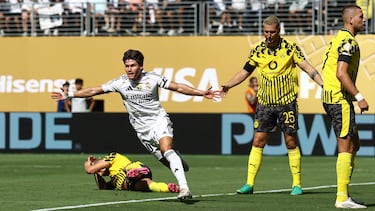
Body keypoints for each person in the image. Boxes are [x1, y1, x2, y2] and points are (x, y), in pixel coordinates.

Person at [52, 49, 218, 200]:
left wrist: (201, 92)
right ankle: (177, 160)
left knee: (166, 149)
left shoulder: (152, 78)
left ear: (141, 66)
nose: (129, 69)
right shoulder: (120, 83)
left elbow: (178, 87)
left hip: (158, 121)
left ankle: (184, 188)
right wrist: (70, 94)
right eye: (127, 66)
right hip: (141, 130)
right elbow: (94, 90)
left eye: (133, 65)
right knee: (167, 159)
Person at [218, 15, 324, 196]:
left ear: (279, 30)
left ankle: (296, 184)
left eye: (272, 32)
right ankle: (249, 184)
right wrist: (228, 84)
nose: (268, 35)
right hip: (265, 104)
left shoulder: (291, 48)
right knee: (258, 141)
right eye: (266, 32)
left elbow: (307, 67)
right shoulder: (258, 50)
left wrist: (322, 83)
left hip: (286, 103)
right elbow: (245, 71)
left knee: (290, 142)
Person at [321, 4, 368, 209]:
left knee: (354, 144)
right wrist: (359, 96)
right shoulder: (348, 42)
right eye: (360, 16)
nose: (364, 19)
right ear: (350, 20)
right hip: (340, 99)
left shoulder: (339, 38)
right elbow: (341, 73)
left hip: (333, 97)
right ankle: (342, 197)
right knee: (346, 145)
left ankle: (344, 194)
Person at [84, 152, 180, 193]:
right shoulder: (113, 180)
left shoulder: (112, 156)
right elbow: (103, 187)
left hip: (135, 167)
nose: (100, 172)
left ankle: (137, 172)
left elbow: (89, 170)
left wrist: (88, 164)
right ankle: (169, 188)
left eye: (99, 168)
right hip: (132, 184)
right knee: (149, 185)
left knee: (128, 167)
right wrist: (96, 173)